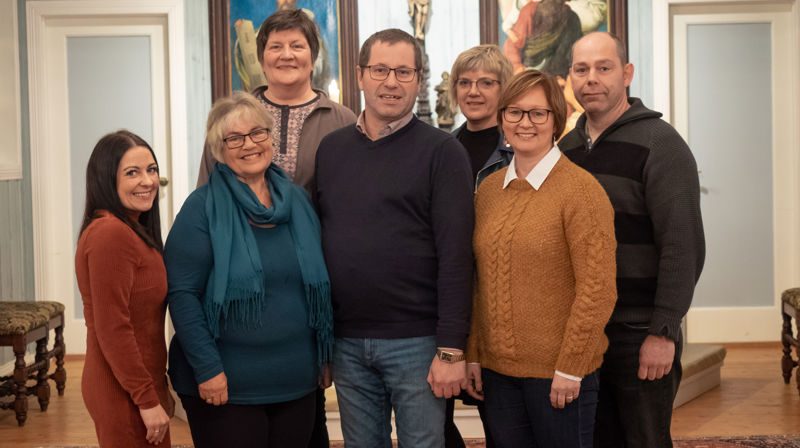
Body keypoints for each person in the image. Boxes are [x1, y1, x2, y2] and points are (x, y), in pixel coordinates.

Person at [313, 28, 474, 448]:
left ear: (418, 79)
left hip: (418, 343)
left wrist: (451, 349)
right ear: (360, 75)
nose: (391, 81)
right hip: (346, 342)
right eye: (380, 69)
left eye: (403, 71)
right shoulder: (331, 150)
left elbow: (457, 256)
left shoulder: (442, 152)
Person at [561, 31, 705, 448]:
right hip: (587, 331)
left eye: (603, 68)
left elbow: (683, 246)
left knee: (645, 440)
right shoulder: (568, 149)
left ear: (626, 73)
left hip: (639, 330)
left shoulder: (661, 144)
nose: (592, 79)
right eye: (581, 69)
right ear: (569, 77)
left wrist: (663, 332)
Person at [166, 91, 333, 447]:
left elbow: (317, 289)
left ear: (270, 137)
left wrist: (324, 354)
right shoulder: (201, 210)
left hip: (297, 380)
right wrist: (208, 369)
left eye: (257, 133)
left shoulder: (299, 203)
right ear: (218, 150)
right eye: (235, 138)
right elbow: (183, 296)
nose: (249, 145)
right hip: (226, 386)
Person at [464, 69, 617, 448]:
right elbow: (479, 282)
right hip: (497, 376)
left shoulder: (581, 191)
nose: (525, 123)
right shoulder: (488, 191)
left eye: (538, 113)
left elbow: (597, 290)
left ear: (556, 121)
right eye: (514, 112)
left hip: (559, 376)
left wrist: (571, 366)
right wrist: (473, 353)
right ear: (501, 119)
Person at [75, 130, 174, 447]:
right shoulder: (109, 235)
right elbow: (113, 327)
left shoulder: (132, 230)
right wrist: (146, 399)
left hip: (139, 382)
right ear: (106, 179)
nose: (147, 181)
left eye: (151, 170)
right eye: (132, 172)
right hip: (121, 389)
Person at [440, 43, 514, 448]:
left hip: (497, 304)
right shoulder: (439, 149)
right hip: (448, 300)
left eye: (487, 82)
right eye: (465, 82)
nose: (474, 91)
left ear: (505, 89)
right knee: (437, 427)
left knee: (503, 425)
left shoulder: (520, 150)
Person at [197, 8, 356, 191]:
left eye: (297, 46)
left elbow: (353, 193)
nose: (287, 55)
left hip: (315, 221)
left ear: (313, 59)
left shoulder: (343, 120)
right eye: (275, 47)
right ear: (261, 60)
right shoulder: (229, 118)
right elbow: (205, 189)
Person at [502, 0, 582, 78]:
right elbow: (511, 46)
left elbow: (572, 58)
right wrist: (520, 71)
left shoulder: (573, 19)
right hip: (526, 76)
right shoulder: (529, 10)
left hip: (556, 80)